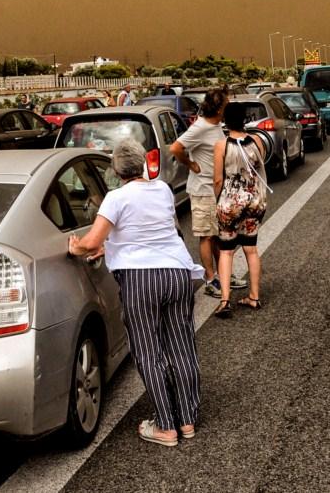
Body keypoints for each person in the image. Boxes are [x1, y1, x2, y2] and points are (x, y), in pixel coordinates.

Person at [68, 140, 204, 447]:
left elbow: (91, 242)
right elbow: (149, 229)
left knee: (148, 352)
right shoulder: (163, 190)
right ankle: (187, 418)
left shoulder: (115, 198)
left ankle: (165, 426)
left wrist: (76, 247)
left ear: (116, 170)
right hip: (178, 273)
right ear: (143, 163)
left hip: (141, 279)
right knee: (182, 346)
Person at [170, 88, 245, 295]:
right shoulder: (200, 127)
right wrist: (191, 164)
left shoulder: (216, 126)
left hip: (216, 188)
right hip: (203, 189)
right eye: (226, 104)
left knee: (219, 234)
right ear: (219, 108)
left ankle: (224, 274)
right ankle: (211, 280)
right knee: (207, 236)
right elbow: (175, 148)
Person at [212, 102, 269, 317]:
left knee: (226, 251)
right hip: (254, 201)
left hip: (230, 202)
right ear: (245, 119)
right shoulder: (256, 141)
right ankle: (254, 296)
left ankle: (225, 300)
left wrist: (219, 199)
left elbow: (218, 179)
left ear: (226, 120)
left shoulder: (221, 145)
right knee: (251, 249)